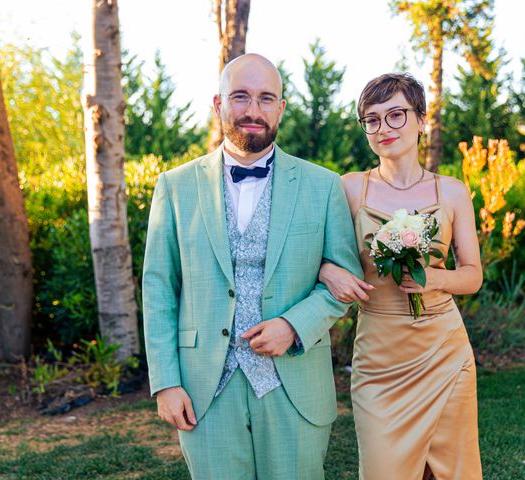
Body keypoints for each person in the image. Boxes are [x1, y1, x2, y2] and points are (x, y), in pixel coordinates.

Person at [142, 53, 362, 480]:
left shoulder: (323, 185)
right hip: (205, 388)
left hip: (293, 385)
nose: (252, 111)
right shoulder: (174, 187)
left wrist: (294, 325)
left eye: (266, 98)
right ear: (218, 103)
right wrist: (165, 382)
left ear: (280, 108)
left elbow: (344, 282)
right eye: (240, 97)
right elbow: (158, 288)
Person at [319, 73, 483, 480]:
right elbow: (313, 256)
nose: (383, 128)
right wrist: (329, 272)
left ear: (421, 120)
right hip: (380, 355)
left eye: (395, 115)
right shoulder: (350, 188)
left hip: (445, 350)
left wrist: (435, 278)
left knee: (454, 470)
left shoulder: (453, 192)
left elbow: (473, 275)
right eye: (372, 120)